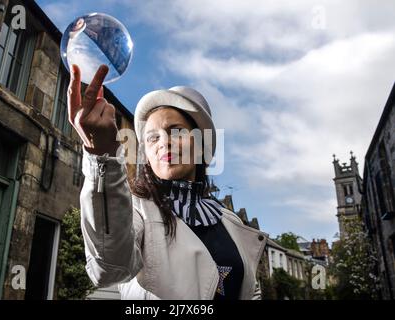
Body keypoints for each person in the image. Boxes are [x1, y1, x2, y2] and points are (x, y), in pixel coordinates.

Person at [67, 63, 267, 300]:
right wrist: (101, 154)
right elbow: (109, 267)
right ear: (147, 157)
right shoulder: (136, 210)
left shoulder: (229, 221)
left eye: (176, 131)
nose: (164, 142)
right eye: (152, 138)